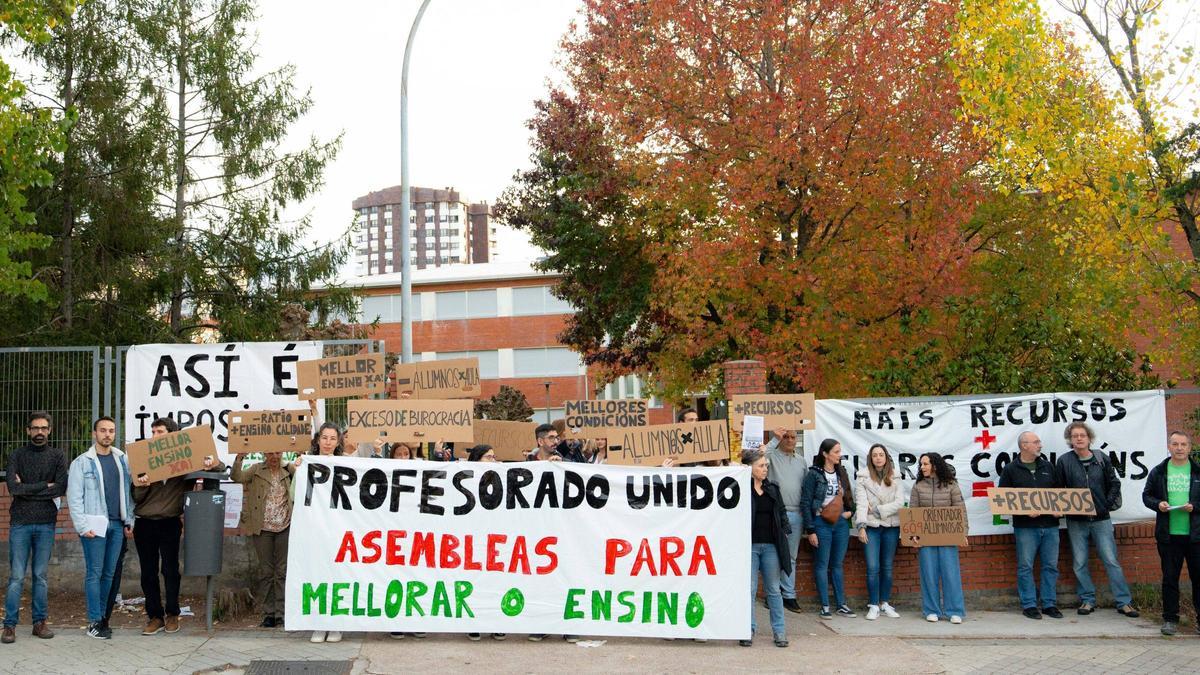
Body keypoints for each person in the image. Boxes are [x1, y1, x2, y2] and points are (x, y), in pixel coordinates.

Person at [132, 417, 223, 636]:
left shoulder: (183, 458)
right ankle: (155, 616)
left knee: (170, 570)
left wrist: (213, 462)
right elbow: (136, 497)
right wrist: (143, 484)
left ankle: (172, 614)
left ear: (171, 436)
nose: (155, 436)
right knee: (148, 573)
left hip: (169, 522)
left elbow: (218, 468)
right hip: (144, 523)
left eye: (160, 432)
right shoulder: (143, 459)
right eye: (153, 432)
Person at [1054, 421, 1138, 617]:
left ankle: (1124, 602)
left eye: (1082, 435)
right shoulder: (1064, 461)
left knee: (1111, 560)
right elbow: (1058, 489)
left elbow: (1114, 483)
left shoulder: (1101, 458)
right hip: (1076, 521)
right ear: (1070, 440)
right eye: (1075, 436)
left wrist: (1105, 505)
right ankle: (1087, 600)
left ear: (1089, 438)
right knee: (1080, 562)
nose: (1079, 438)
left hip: (1101, 519)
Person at [66, 417, 134, 640]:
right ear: (95, 433)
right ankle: (94, 621)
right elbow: (74, 497)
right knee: (94, 573)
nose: (107, 434)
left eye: (111, 431)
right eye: (103, 430)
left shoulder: (122, 459)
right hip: (94, 526)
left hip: (117, 524)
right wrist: (83, 526)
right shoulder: (82, 462)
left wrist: (129, 520)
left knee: (109, 573)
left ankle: (103, 619)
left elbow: (128, 493)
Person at [3, 411, 67, 644]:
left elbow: (59, 488)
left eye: (43, 428)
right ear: (28, 431)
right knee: (17, 577)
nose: (39, 432)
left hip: (45, 524)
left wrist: (28, 487)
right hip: (20, 523)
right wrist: (43, 485)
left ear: (49, 431)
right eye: (35, 428)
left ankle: (39, 623)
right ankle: (9, 626)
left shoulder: (57, 456)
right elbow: (13, 489)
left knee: (40, 576)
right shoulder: (17, 455)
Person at [998, 431, 1063, 620]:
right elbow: (1003, 499)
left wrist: (1060, 509)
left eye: (1039, 442)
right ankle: (1029, 605)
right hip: (1025, 527)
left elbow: (1059, 493)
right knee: (1025, 566)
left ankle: (1049, 604)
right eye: (1036, 442)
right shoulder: (1011, 469)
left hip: (1050, 525)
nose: (1040, 445)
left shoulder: (1048, 467)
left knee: (1050, 566)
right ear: (1024, 445)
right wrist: (1023, 511)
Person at [1141, 431, 1199, 636]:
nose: (1180, 448)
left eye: (1183, 444)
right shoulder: (1158, 471)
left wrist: (1195, 506)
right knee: (1170, 578)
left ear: (1190, 447)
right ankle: (1170, 619)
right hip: (1168, 535)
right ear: (1169, 446)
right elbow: (1146, 496)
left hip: (1195, 536)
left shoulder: (1197, 470)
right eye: (1175, 444)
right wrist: (1159, 504)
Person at [231, 450, 293, 630]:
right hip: (262, 528)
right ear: (265, 454)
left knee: (282, 572)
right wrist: (240, 458)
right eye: (270, 453)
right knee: (266, 572)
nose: (274, 457)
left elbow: (307, 473)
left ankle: (282, 613)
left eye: (277, 453)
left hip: (285, 526)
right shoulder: (257, 469)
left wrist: (300, 456)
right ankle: (269, 614)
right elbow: (236, 477)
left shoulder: (288, 469)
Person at [800, 439, 856, 619]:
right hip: (820, 522)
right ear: (825, 454)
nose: (839, 455)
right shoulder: (814, 474)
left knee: (837, 564)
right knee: (822, 564)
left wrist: (849, 512)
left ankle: (841, 604)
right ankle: (825, 605)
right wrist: (810, 529)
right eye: (836, 452)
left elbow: (849, 496)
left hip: (839, 523)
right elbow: (806, 502)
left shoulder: (841, 472)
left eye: (840, 451)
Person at [741, 448, 790, 648]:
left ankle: (779, 631)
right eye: (760, 466)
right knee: (749, 590)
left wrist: (785, 528)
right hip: (749, 545)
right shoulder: (741, 489)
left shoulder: (772, 488)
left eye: (766, 466)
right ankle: (747, 630)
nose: (765, 469)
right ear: (749, 468)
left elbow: (781, 510)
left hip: (771, 545)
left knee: (773, 590)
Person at [911, 452, 966, 624]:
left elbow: (960, 509)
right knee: (928, 574)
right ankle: (931, 609)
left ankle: (955, 611)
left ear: (935, 465)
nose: (922, 467)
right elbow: (913, 512)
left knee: (951, 574)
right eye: (921, 465)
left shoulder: (951, 485)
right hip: (926, 539)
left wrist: (963, 533)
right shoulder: (918, 486)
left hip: (948, 537)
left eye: (925, 464)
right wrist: (913, 536)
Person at [303, 422, 344, 643]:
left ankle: (336, 624)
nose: (328, 442)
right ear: (318, 439)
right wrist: (299, 469)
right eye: (324, 437)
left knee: (336, 575)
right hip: (313, 529)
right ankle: (318, 623)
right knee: (316, 575)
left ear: (338, 443)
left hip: (336, 530)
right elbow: (295, 495)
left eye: (332, 439)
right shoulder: (305, 464)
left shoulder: (344, 464)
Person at [854, 443, 903, 620]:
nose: (878, 458)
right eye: (875, 455)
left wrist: (876, 510)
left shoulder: (896, 476)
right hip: (872, 528)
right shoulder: (862, 477)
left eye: (881, 454)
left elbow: (899, 503)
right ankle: (873, 604)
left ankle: (885, 603)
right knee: (873, 567)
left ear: (886, 457)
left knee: (887, 567)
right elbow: (861, 503)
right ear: (871, 458)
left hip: (891, 526)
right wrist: (861, 526)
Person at [761, 428, 806, 613]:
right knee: (774, 555)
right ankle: (772, 595)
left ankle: (788, 595)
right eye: (785, 437)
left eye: (792, 437)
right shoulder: (771, 457)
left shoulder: (802, 461)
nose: (789, 440)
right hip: (776, 512)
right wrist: (775, 439)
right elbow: (760, 455)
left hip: (796, 514)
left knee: (791, 557)